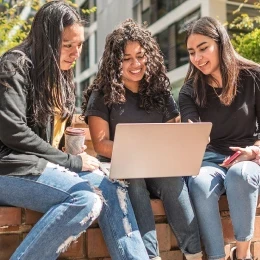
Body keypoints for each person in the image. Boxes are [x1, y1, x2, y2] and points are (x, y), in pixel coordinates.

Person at [0, 2, 150, 260]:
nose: (75, 52)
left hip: (41, 166)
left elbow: (51, 137)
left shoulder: (60, 76)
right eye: (67, 44)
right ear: (46, 39)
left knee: (112, 185)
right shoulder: (15, 65)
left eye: (79, 45)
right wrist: (71, 161)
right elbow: (12, 130)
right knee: (85, 200)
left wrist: (75, 154)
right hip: (10, 169)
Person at [82, 19, 202, 260]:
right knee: (134, 181)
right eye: (127, 58)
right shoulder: (103, 93)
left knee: (172, 181)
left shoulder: (160, 91)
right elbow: (101, 143)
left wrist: (187, 136)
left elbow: (171, 134)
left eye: (140, 55)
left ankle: (194, 254)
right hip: (121, 166)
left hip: (157, 164)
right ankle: (149, 256)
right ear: (116, 62)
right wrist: (136, 153)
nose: (135, 64)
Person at [178, 16, 260, 260]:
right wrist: (193, 135)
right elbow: (193, 133)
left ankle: (242, 254)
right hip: (211, 160)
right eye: (192, 52)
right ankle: (216, 257)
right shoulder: (189, 90)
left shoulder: (254, 76)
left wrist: (253, 152)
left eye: (203, 48)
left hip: (248, 157)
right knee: (200, 184)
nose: (197, 58)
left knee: (241, 174)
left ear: (220, 43)